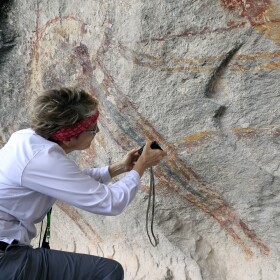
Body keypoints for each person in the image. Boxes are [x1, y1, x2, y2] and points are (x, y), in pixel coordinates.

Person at [0, 87, 166, 280]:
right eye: (93, 129)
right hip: (7, 259)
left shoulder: (27, 139)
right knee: (108, 272)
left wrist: (119, 168)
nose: (97, 132)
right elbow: (110, 203)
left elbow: (70, 180)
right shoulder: (42, 159)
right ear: (70, 137)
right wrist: (142, 167)